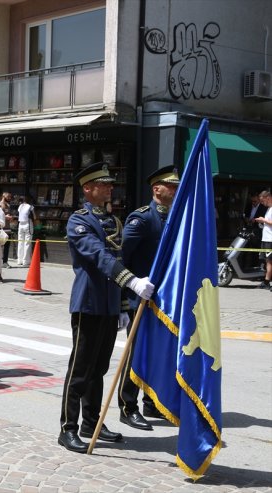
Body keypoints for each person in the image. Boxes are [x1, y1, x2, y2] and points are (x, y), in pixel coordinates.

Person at [58, 162, 155, 454]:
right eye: (103, 183)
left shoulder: (114, 221)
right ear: (88, 188)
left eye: (110, 183)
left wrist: (123, 303)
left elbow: (118, 258)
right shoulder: (79, 221)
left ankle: (91, 422)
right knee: (80, 369)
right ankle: (68, 428)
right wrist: (133, 282)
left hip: (110, 304)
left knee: (99, 368)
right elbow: (99, 256)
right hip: (88, 303)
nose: (110, 187)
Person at [119, 165, 180, 430]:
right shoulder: (142, 218)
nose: (176, 189)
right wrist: (125, 297)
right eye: (172, 186)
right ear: (157, 189)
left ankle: (151, 401)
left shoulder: (175, 217)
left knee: (157, 353)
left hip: (164, 300)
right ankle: (127, 405)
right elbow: (123, 259)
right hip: (140, 297)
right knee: (136, 353)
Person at [254, 190, 272, 290]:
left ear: (268, 198)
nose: (262, 203)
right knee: (267, 261)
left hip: (270, 239)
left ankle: (266, 282)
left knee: (269, 261)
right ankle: (266, 281)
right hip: (266, 238)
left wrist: (263, 220)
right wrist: (262, 223)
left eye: (262, 201)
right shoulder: (269, 209)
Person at [16, 195, 35, 267]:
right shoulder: (30, 206)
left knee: (20, 241)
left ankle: (19, 260)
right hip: (28, 223)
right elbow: (35, 216)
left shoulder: (20, 206)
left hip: (20, 224)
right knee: (27, 242)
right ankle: (26, 261)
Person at [0, 192, 13, 268]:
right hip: (1, 229)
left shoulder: (8, 205)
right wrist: (5, 217)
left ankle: (5, 262)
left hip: (8, 228)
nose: (9, 198)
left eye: (10, 196)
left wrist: (10, 218)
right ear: (3, 196)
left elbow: (8, 215)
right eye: (8, 196)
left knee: (7, 246)